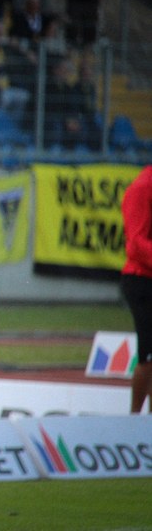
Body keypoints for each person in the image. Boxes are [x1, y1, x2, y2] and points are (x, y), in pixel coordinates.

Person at [121, 165, 152, 414]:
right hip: (141, 279)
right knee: (148, 355)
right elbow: (135, 243)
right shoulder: (142, 188)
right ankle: (134, 418)